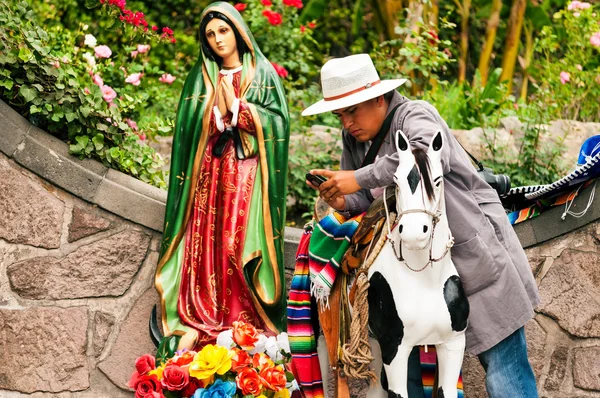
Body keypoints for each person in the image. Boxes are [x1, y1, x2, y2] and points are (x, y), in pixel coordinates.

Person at [302, 54, 540, 397]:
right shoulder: (354, 139)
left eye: (352, 110)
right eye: (340, 114)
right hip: (409, 275)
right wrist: (344, 200)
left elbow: (422, 157)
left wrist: (356, 178)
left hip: (470, 254)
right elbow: (368, 195)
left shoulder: (417, 114)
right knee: (403, 373)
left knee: (504, 370)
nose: (347, 122)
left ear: (378, 97)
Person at [155, 1, 290, 351]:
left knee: (235, 245)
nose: (217, 39)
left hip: (247, 176)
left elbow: (278, 124)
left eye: (223, 30)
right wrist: (213, 115)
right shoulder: (200, 79)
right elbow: (187, 129)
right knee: (208, 248)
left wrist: (241, 111)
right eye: (210, 34)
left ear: (238, 31)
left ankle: (244, 325)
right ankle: (210, 321)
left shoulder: (262, 74)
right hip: (209, 176)